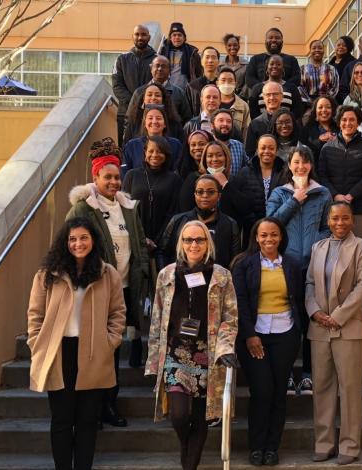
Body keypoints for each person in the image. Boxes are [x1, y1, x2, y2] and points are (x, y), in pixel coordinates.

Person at [27, 217, 126, 470]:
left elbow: (117, 313)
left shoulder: (107, 273)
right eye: (72, 239)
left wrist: (110, 342)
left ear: (93, 240)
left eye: (84, 238)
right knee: (61, 419)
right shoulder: (47, 274)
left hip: (93, 352)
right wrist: (37, 342)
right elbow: (35, 314)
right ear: (65, 242)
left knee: (87, 420)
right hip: (58, 352)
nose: (78, 243)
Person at [66, 138, 151, 428]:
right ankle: (88, 407)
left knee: (112, 348)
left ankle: (108, 405)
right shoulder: (83, 209)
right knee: (93, 349)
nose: (114, 182)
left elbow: (137, 243)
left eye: (117, 177)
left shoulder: (128, 208)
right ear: (96, 177)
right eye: (108, 177)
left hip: (125, 289)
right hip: (94, 290)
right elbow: (70, 247)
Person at [146, 221, 240, 470]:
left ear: (207, 243)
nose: (193, 245)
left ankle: (189, 465)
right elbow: (157, 318)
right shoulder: (166, 274)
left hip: (205, 352)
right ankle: (187, 450)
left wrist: (226, 348)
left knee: (199, 417)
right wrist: (154, 359)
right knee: (178, 415)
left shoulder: (221, 275)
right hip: (175, 352)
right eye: (188, 240)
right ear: (181, 243)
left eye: (199, 240)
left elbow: (230, 319)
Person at [231, 217, 306, 466]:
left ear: (281, 237)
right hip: (255, 335)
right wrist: (250, 334)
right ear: (255, 237)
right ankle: (256, 446)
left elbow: (299, 299)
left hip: (286, 334)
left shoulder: (292, 264)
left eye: (273, 234)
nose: (268, 239)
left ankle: (272, 448)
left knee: (278, 394)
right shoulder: (243, 264)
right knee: (262, 391)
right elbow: (239, 302)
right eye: (263, 235)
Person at [304, 201, 362, 466]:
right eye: (335, 219)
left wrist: (338, 316)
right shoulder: (317, 247)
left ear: (352, 220)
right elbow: (309, 283)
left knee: (350, 389)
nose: (340, 223)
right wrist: (315, 312)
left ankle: (350, 445)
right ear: (328, 221)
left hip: (349, 328)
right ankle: (324, 443)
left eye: (345, 218)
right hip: (319, 328)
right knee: (322, 388)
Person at [266, 146, 332, 395]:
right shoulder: (279, 193)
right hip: (285, 265)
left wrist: (318, 245)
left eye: (305, 162)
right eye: (296, 162)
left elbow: (329, 226)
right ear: (289, 165)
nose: (301, 167)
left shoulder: (323, 193)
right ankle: (287, 374)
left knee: (309, 321)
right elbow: (271, 224)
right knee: (288, 321)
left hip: (314, 264)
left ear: (311, 165)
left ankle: (307, 374)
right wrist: (295, 200)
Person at [317, 105, 362, 240]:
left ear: (358, 122)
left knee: (359, 251)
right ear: (339, 122)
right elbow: (322, 176)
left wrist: (351, 195)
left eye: (352, 120)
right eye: (344, 120)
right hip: (335, 209)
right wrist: (336, 195)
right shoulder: (327, 148)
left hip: (361, 207)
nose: (348, 123)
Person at [162, 174, 243, 269]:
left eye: (211, 192)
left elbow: (235, 260)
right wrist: (169, 275)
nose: (205, 196)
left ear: (219, 195)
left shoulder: (230, 224)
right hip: (182, 280)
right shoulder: (177, 220)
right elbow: (162, 252)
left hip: (217, 281)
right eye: (200, 192)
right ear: (195, 195)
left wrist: (224, 280)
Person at [122, 136, 184, 254]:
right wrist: (141, 238)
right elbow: (125, 209)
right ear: (145, 153)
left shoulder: (174, 179)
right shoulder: (132, 175)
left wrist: (158, 241)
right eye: (151, 151)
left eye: (160, 151)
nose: (155, 155)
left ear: (166, 155)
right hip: (135, 242)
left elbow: (174, 212)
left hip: (164, 245)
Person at [223, 134, 289, 242]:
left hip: (279, 229)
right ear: (257, 150)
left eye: (271, 148)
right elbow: (238, 202)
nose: (267, 151)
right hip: (251, 231)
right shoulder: (245, 172)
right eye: (263, 148)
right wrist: (255, 224)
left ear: (277, 150)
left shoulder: (285, 173)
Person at [113, 24, 157, 144]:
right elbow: (117, 86)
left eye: (143, 34)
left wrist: (144, 103)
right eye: (137, 34)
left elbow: (159, 85)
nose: (140, 37)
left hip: (149, 114)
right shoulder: (122, 59)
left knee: (148, 147)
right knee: (125, 149)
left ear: (149, 37)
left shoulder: (157, 60)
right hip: (126, 113)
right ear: (132, 36)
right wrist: (134, 102)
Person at [121, 104, 183, 176]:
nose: (154, 121)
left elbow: (179, 172)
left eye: (158, 118)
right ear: (144, 123)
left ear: (165, 123)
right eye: (150, 118)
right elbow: (124, 174)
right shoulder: (132, 145)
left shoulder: (175, 144)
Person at [133, 56, 193, 129]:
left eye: (163, 66)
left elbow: (187, 118)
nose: (160, 69)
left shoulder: (179, 93)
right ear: (151, 68)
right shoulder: (139, 92)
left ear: (170, 70)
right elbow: (130, 119)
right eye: (157, 66)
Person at [177, 138, 230, 211]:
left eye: (219, 155)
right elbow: (185, 208)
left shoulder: (233, 180)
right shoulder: (194, 178)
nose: (215, 159)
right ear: (205, 159)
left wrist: (226, 185)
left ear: (226, 158)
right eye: (210, 156)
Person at [248, 54, 305, 121]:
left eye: (278, 64)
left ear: (283, 68)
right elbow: (253, 112)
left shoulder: (292, 88)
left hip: (286, 127)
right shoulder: (257, 88)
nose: (275, 66)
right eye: (271, 64)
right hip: (263, 127)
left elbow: (298, 112)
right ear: (267, 68)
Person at [244, 81, 284, 158]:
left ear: (282, 97)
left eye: (275, 94)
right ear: (263, 98)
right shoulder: (255, 124)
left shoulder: (290, 122)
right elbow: (249, 153)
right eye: (268, 95)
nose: (272, 97)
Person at [158, 22, 202, 90]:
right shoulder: (162, 52)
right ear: (170, 38)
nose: (177, 37)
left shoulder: (192, 53)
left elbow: (199, 74)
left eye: (179, 35)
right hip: (165, 90)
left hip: (185, 91)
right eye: (174, 35)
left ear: (184, 38)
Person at [216, 67, 251, 140]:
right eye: (223, 80)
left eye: (230, 80)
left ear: (235, 84)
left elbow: (246, 132)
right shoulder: (212, 103)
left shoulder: (243, 106)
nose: (226, 84)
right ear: (217, 83)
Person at [211, 108, 247, 174]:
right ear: (212, 125)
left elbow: (247, 168)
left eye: (229, 121)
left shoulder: (239, 146)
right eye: (221, 120)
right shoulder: (207, 145)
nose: (225, 124)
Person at [188, 47, 221, 116]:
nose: (210, 61)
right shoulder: (192, 86)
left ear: (218, 62)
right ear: (201, 61)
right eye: (207, 57)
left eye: (213, 57)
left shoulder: (222, 85)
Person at [222, 33, 250, 100]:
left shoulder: (246, 65)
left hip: (241, 100)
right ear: (226, 47)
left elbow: (247, 84)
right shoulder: (220, 66)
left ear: (239, 46)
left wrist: (238, 98)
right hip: (223, 99)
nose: (232, 47)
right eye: (229, 45)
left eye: (235, 45)